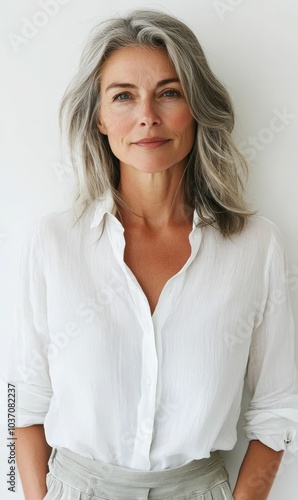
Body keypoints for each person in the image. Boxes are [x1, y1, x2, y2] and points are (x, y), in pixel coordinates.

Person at [11, 8, 298, 500]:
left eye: (169, 92)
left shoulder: (255, 246)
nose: (147, 116)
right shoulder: (51, 243)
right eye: (123, 96)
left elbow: (278, 410)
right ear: (99, 117)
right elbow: (20, 404)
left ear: (197, 107)